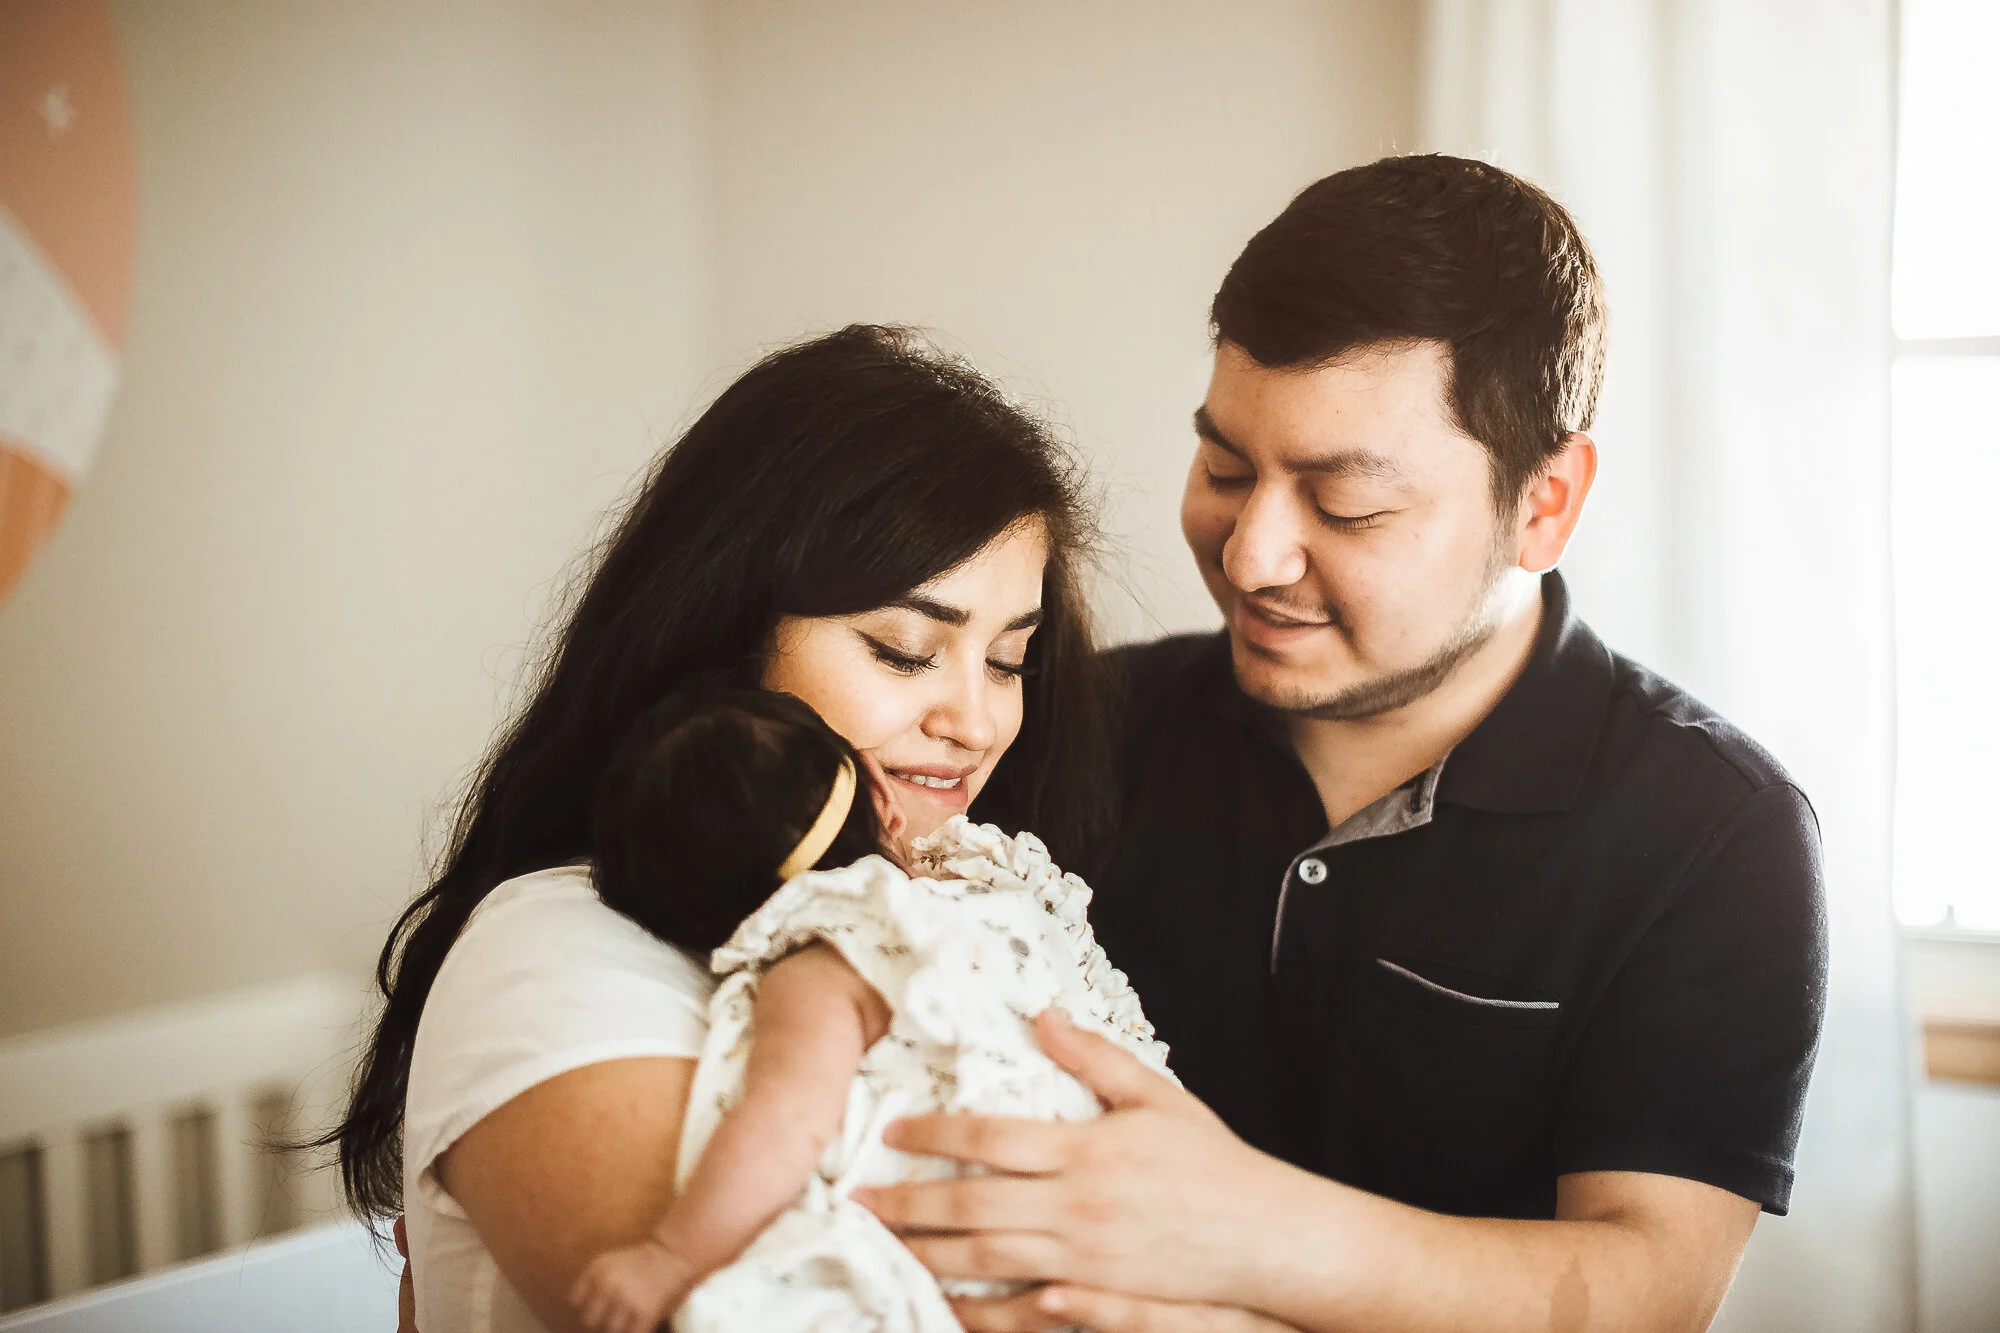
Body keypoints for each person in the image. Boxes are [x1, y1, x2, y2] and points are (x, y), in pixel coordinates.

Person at [856, 154, 1829, 1333]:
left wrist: (1243, 1228)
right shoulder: (1067, 720)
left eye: (1346, 505)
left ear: (1544, 503)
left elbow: (1646, 1290)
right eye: (1224, 466)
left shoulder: (1713, 831)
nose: (1251, 554)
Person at [329, 323, 1193, 1333]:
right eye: (904, 649)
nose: (975, 721)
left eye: (1008, 661)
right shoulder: (555, 947)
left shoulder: (950, 915)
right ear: (726, 628)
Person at [569, 683, 1170, 1332]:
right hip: (1123, 1220)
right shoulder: (982, 892)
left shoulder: (821, 954)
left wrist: (668, 1255)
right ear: (883, 801)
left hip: (999, 1248)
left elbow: (788, 1119)